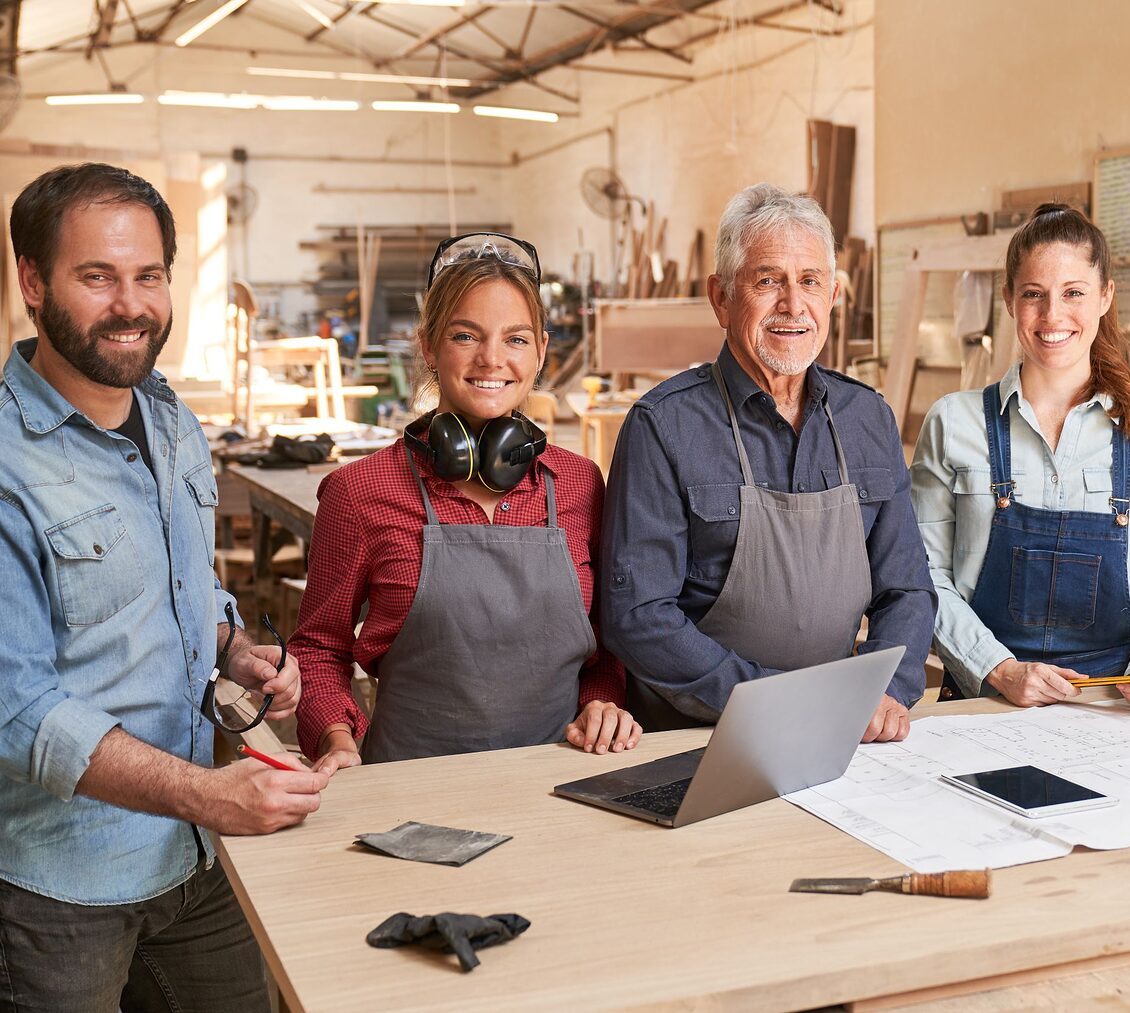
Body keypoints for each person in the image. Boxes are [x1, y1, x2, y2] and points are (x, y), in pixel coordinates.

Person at [0, 162, 319, 1011]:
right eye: (96, 277)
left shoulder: (170, 418)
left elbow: (186, 585)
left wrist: (237, 649)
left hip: (195, 855)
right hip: (62, 890)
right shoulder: (7, 463)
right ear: (32, 281)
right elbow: (16, 709)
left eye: (148, 276)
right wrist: (209, 790)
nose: (131, 304)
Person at [600, 184, 935, 741]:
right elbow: (638, 614)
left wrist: (885, 689)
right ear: (721, 298)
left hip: (839, 728)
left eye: (810, 281)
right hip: (698, 732)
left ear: (832, 296)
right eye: (767, 281)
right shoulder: (663, 426)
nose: (792, 305)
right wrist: (766, 700)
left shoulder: (868, 417)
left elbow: (907, 588)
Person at [292, 233, 640, 768]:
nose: (492, 359)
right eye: (465, 335)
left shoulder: (579, 484)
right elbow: (318, 649)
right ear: (429, 345)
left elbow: (603, 648)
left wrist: (603, 701)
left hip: (561, 782)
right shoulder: (360, 492)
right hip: (410, 786)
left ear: (542, 350)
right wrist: (336, 737)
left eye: (516, 339)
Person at [911, 203, 1130, 712]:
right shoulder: (953, 423)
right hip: (982, 704)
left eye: (1073, 293)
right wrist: (998, 669)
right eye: (1033, 295)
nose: (1052, 316)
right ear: (1009, 299)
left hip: (1110, 706)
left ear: (1105, 297)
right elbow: (922, 577)